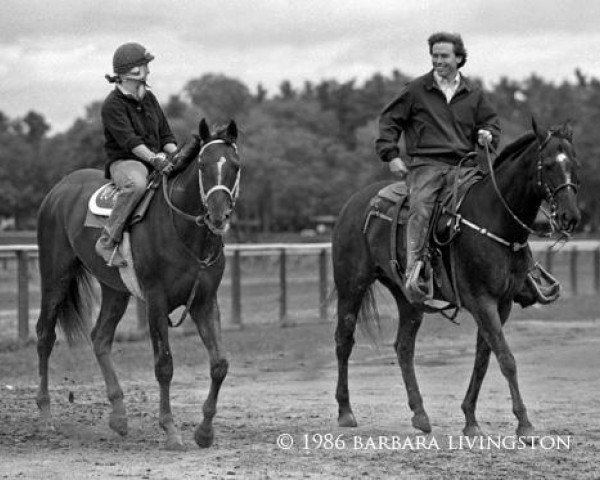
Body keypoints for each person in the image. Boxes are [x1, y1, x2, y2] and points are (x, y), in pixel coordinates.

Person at [375, 32, 554, 306]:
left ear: (459, 58)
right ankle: (416, 270)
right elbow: (389, 121)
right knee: (422, 207)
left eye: (444, 56)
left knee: (497, 204)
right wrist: (390, 154)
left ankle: (525, 270)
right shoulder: (415, 90)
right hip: (426, 166)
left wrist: (487, 135)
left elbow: (492, 124)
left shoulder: (474, 94)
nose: (438, 61)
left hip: (465, 166)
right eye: (434, 56)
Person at [96, 42, 199, 267]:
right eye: (144, 67)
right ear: (132, 73)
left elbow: (165, 135)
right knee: (137, 185)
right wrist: (155, 159)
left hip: (156, 159)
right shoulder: (112, 105)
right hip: (127, 162)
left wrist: (181, 156)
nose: (148, 71)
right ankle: (107, 241)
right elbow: (130, 142)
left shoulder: (149, 99)